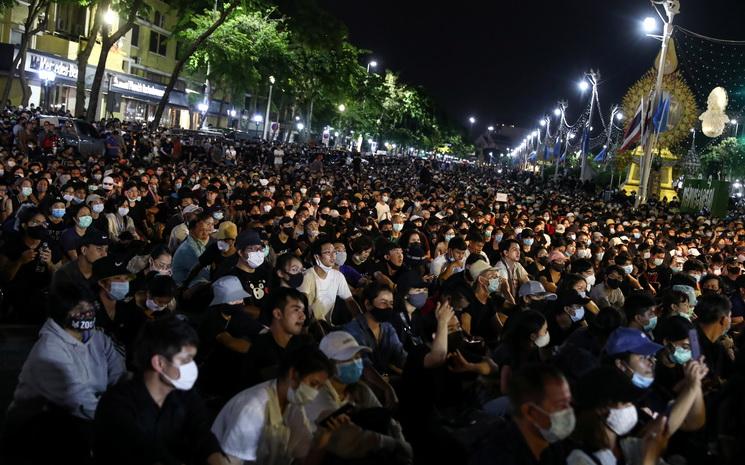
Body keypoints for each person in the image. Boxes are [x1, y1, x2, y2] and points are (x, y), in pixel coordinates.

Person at [3, 284, 125, 464]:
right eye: (80, 308)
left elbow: (118, 371)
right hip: (41, 432)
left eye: (90, 306)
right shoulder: (48, 351)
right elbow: (78, 401)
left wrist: (121, 401)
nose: (88, 312)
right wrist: (120, 416)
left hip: (92, 416)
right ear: (62, 311)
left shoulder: (98, 337)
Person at [93, 316, 229, 465]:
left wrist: (216, 457)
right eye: (185, 360)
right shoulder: (116, 406)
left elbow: (201, 433)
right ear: (159, 363)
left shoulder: (185, 394)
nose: (192, 367)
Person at [211, 343, 337, 464]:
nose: (314, 393)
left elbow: (304, 459)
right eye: (313, 384)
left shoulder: (294, 406)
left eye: (319, 387)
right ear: (293, 375)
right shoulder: (253, 409)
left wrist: (324, 435)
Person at [305, 331, 413, 463]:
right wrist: (393, 444)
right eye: (348, 359)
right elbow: (347, 440)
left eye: (357, 357)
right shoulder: (317, 394)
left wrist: (400, 442)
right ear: (328, 364)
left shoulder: (360, 389)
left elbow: (387, 420)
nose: (356, 363)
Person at [470, 364, 573, 465]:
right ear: (530, 411)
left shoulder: (554, 444)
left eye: (567, 402)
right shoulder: (497, 457)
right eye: (559, 405)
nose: (567, 411)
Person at [243, 287, 308, 387]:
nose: (303, 316)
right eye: (296, 310)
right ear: (278, 314)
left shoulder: (306, 344)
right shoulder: (260, 350)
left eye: (303, 310)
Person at [300, 235, 360, 324]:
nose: (333, 256)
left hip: (327, 325)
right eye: (328, 252)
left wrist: (361, 321)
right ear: (317, 257)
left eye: (334, 252)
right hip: (309, 326)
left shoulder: (338, 276)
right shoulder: (307, 276)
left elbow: (350, 301)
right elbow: (303, 309)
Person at [51, 228, 109, 302]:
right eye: (99, 249)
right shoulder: (65, 276)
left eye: (106, 250)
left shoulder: (103, 274)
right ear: (84, 250)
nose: (104, 254)